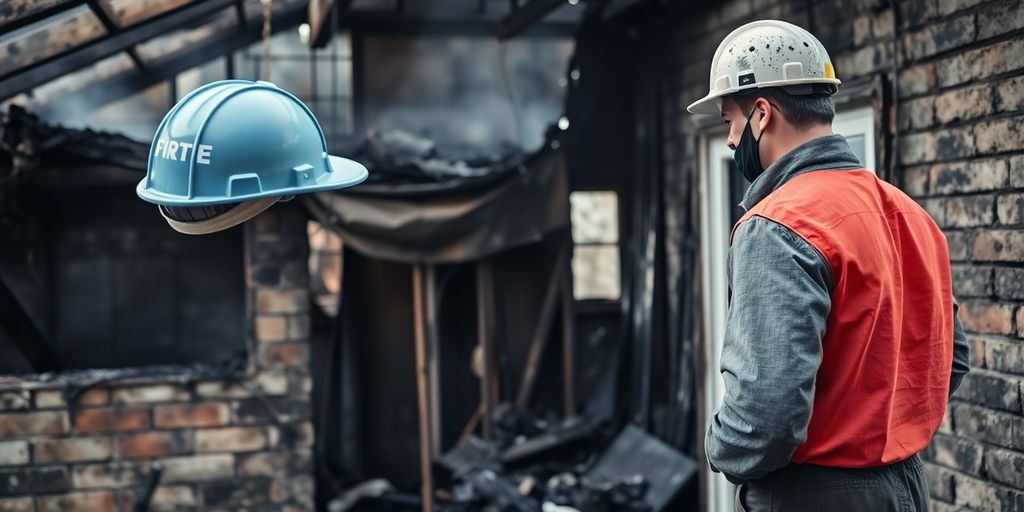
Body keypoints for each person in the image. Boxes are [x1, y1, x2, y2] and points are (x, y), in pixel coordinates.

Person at [686, 20, 970, 512]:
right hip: (905, 488)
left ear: (761, 114)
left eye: (730, 121)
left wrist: (720, 447)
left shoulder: (776, 224)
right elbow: (953, 358)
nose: (730, 140)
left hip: (812, 494)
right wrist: (883, 424)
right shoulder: (910, 214)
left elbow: (765, 416)